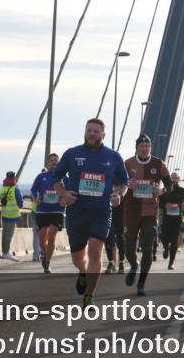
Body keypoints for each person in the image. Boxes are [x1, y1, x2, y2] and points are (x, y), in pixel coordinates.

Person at [52, 118, 129, 306]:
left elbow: (124, 182)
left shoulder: (113, 157)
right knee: (78, 257)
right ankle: (83, 272)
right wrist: (63, 192)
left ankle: (89, 296)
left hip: (101, 212)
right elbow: (56, 178)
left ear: (103, 134)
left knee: (95, 251)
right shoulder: (72, 154)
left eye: (96, 131)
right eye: (89, 130)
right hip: (76, 211)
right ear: (85, 132)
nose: (92, 134)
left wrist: (119, 194)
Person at [121, 134, 172, 295]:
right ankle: (134, 266)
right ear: (136, 147)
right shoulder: (127, 163)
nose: (144, 148)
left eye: (147, 146)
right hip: (132, 209)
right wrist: (127, 184)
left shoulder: (159, 164)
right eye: (141, 146)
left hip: (150, 210)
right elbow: (118, 183)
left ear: (150, 147)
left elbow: (170, 185)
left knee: (148, 247)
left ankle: (141, 283)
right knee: (128, 246)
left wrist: (161, 190)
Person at [30, 153, 65, 273]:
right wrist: (36, 198)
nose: (54, 162)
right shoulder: (41, 176)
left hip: (57, 210)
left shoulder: (64, 178)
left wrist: (65, 197)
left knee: (51, 236)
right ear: (48, 162)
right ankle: (45, 255)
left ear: (59, 163)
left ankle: (48, 262)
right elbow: (33, 189)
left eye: (56, 161)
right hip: (42, 210)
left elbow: (71, 189)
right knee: (41, 240)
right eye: (52, 161)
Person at [159, 172, 184, 270]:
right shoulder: (165, 190)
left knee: (174, 241)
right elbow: (160, 202)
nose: (173, 180)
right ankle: (165, 247)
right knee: (164, 237)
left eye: (175, 178)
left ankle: (171, 263)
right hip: (166, 218)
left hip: (177, 219)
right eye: (172, 178)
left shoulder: (182, 190)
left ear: (178, 179)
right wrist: (165, 205)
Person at [0, 171, 24, 259]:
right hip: (12, 215)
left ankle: (4, 252)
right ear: (14, 178)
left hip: (4, 214)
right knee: (9, 234)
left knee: (5, 234)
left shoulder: (2, 189)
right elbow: (21, 203)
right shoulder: (15, 189)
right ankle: (6, 253)